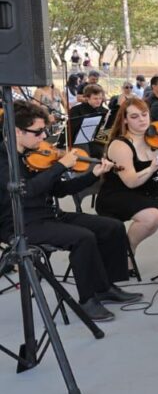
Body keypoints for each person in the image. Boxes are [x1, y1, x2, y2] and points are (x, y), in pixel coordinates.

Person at [0, 101, 141, 321]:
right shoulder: (4, 160)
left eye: (44, 131)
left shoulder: (36, 154)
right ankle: (87, 300)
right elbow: (25, 191)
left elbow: (61, 190)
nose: (43, 137)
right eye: (38, 132)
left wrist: (93, 175)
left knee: (111, 227)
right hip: (20, 223)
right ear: (18, 131)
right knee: (82, 238)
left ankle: (104, 287)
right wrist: (60, 166)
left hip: (48, 215)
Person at [96, 98, 158, 254]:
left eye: (144, 114)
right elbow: (130, 182)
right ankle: (127, 251)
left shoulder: (155, 138)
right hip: (119, 194)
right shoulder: (121, 145)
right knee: (152, 217)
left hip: (149, 190)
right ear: (124, 120)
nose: (142, 120)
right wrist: (151, 168)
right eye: (134, 116)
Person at [67, 84, 108, 158]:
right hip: (80, 141)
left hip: (99, 140)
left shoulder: (105, 111)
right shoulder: (76, 110)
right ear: (87, 98)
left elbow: (107, 131)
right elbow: (72, 130)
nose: (98, 101)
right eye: (95, 98)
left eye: (100, 98)